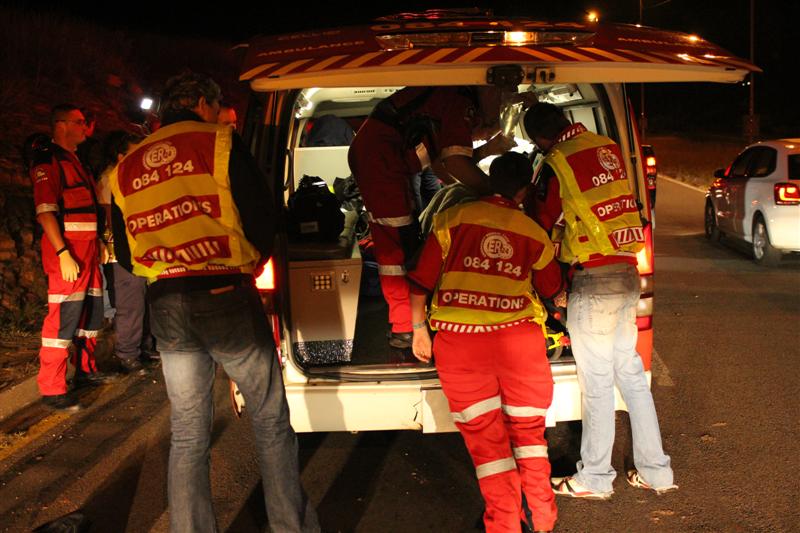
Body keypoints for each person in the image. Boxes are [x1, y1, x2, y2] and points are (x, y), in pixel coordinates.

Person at [109, 71, 318, 533]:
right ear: (203, 103)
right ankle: (289, 526)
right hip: (226, 293)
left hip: (167, 301)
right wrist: (247, 263)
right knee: (269, 420)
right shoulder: (219, 142)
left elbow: (125, 252)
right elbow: (262, 216)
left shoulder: (127, 164)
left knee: (188, 432)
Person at [522, 103, 676, 498]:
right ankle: (656, 472)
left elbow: (541, 223)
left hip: (593, 280)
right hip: (627, 272)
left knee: (598, 385)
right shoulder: (605, 147)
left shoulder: (556, 162)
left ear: (541, 139)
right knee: (632, 378)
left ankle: (594, 477)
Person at [408, 152, 565, 533]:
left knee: (488, 446)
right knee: (529, 437)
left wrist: (418, 329)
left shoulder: (451, 219)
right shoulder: (533, 232)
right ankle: (543, 520)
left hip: (462, 347)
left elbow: (420, 282)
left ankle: (504, 524)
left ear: (488, 181)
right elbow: (551, 288)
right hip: (520, 346)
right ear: (524, 191)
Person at [348, 85, 513, 348]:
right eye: (486, 126)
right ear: (489, 91)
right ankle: (404, 327)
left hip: (385, 158)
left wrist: (483, 160)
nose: (485, 129)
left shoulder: (448, 104)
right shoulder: (458, 101)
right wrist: (498, 197)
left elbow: (444, 165)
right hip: (380, 159)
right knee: (396, 245)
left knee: (405, 238)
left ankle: (410, 319)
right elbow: (454, 164)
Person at [31, 104, 115, 412]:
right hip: (68, 251)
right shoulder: (49, 161)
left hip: (88, 250)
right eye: (80, 122)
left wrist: (99, 242)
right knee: (64, 317)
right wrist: (63, 252)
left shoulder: (77, 162)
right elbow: (45, 212)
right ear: (61, 125)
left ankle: (85, 370)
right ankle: (53, 389)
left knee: (90, 314)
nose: (86, 127)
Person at [95, 130, 156, 375]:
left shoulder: (134, 177)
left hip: (138, 248)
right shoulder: (111, 178)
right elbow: (109, 218)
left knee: (144, 300)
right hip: (121, 252)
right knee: (131, 303)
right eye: (135, 152)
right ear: (121, 156)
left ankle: (144, 347)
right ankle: (128, 353)